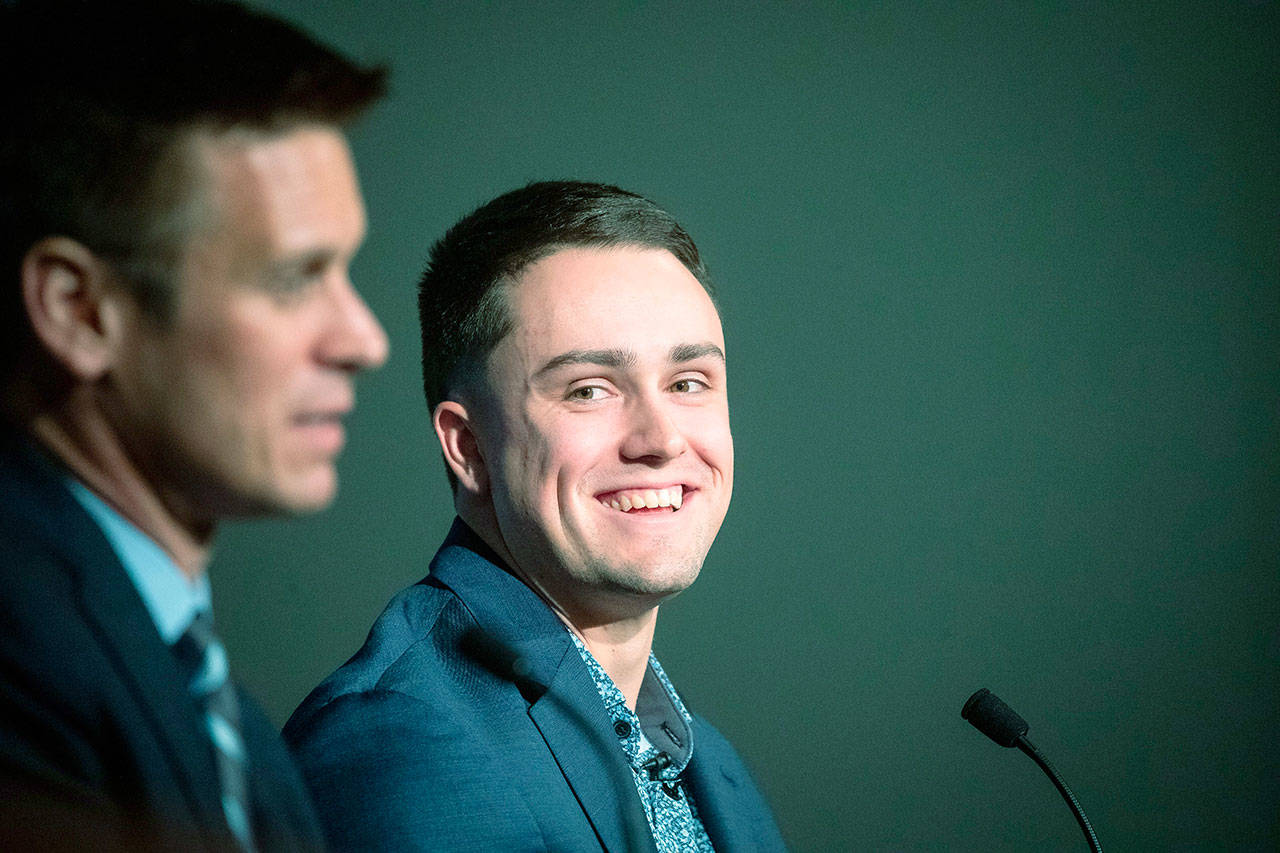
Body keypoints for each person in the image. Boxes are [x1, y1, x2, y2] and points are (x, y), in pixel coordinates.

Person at [284, 181, 786, 852]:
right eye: (589, 390)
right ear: (469, 448)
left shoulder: (711, 768)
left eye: (687, 381)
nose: (661, 439)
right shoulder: (401, 743)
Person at [0, 1, 388, 849]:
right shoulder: (22, 662)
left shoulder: (233, 725)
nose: (365, 339)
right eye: (294, 278)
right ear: (78, 309)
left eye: (345, 270)